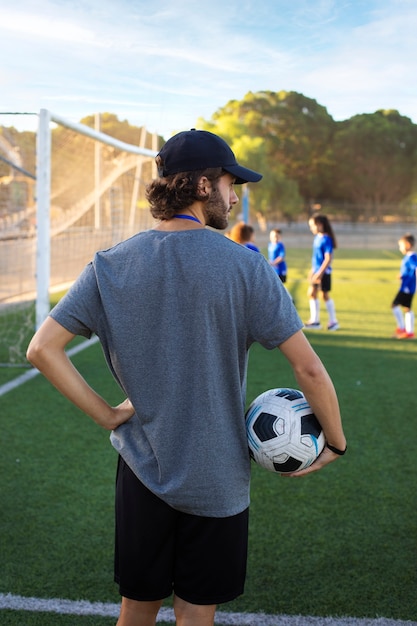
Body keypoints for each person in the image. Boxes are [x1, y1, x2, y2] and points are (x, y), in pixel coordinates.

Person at [26, 129, 346, 626]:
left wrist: (110, 415)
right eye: (230, 182)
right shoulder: (245, 267)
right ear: (202, 185)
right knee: (196, 612)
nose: (235, 195)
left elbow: (42, 349)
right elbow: (307, 367)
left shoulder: (109, 264)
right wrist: (337, 443)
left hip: (140, 472)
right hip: (215, 478)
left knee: (136, 608)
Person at [305, 213, 339, 331]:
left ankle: (332, 321)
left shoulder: (326, 239)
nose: (311, 228)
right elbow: (316, 258)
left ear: (320, 225)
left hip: (324, 273)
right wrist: (312, 270)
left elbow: (328, 258)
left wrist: (320, 273)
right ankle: (316, 321)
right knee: (313, 293)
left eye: (312, 225)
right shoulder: (317, 238)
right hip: (317, 271)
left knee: (323, 295)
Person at [392, 233, 417, 339]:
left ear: (407, 245)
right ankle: (409, 331)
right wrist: (402, 275)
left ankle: (402, 328)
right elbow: (409, 271)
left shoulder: (411, 257)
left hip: (407, 287)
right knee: (407, 308)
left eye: (401, 245)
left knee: (395, 305)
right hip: (407, 286)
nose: (400, 248)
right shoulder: (409, 257)